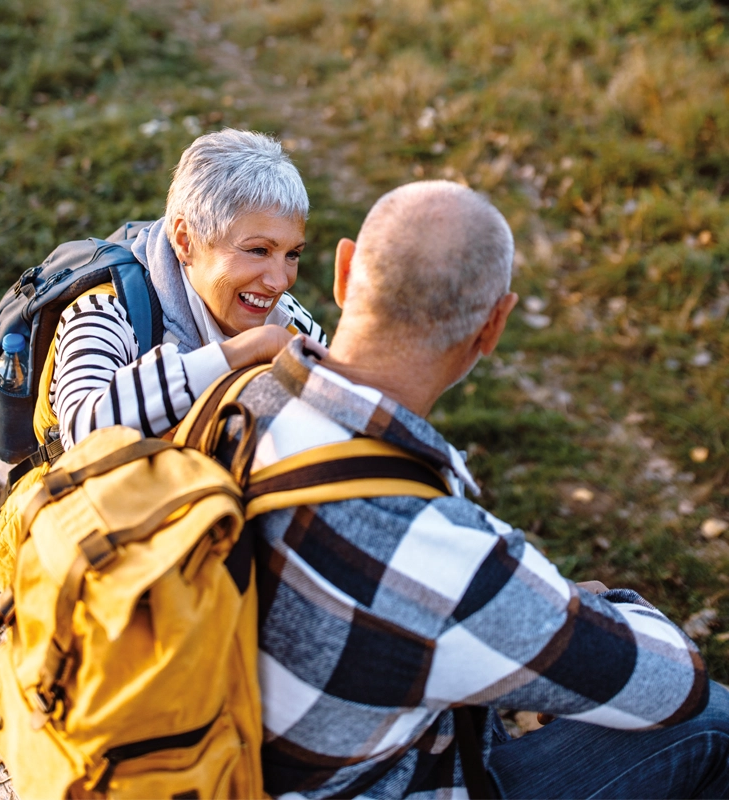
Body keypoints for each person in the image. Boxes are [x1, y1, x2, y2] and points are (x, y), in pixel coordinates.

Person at [222, 180, 729, 798]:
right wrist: (592, 605)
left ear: (345, 271)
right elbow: (674, 685)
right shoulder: (440, 556)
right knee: (715, 722)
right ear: (493, 326)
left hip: (223, 762)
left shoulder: (236, 399)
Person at [48, 128, 326, 451]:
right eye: (258, 251)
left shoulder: (289, 323)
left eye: (292, 254)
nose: (279, 282)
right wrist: (239, 353)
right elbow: (82, 431)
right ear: (185, 241)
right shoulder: (108, 310)